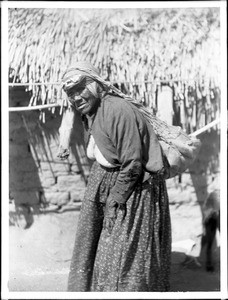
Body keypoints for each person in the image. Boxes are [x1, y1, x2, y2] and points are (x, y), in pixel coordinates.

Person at [57, 61, 171, 292]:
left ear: (97, 85)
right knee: (95, 245)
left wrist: (114, 199)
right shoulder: (92, 111)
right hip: (107, 179)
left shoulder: (118, 110)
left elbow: (132, 164)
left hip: (134, 187)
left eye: (81, 89)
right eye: (71, 93)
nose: (76, 97)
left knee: (121, 253)